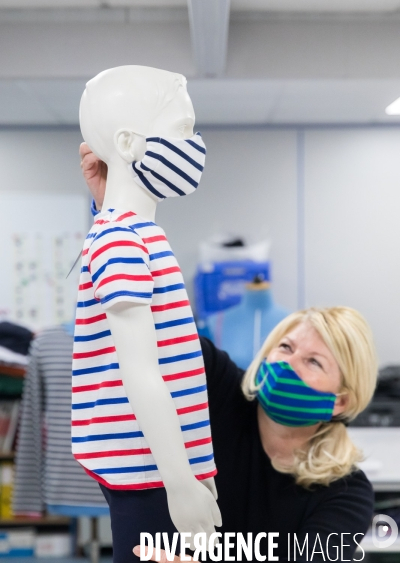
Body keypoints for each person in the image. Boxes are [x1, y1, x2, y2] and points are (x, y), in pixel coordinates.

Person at [80, 145, 378, 563]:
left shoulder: (346, 491)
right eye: (286, 347)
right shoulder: (219, 389)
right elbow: (154, 328)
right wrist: (113, 207)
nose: (288, 363)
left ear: (343, 399)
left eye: (313, 362)